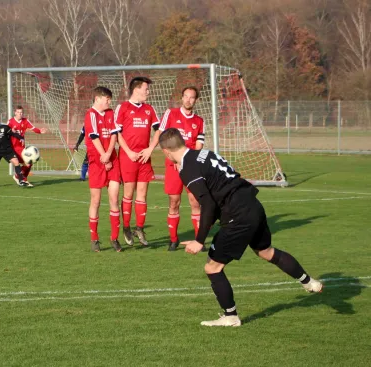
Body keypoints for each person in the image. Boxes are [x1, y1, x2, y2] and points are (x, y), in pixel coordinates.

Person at [158, 128, 323, 327]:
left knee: (212, 267)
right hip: (252, 204)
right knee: (266, 251)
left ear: (166, 152)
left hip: (238, 214)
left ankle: (231, 316)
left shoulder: (188, 169)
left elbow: (208, 204)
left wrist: (199, 240)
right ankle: (309, 282)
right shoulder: (204, 153)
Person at [114, 76, 160, 247]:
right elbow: (117, 132)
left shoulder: (149, 109)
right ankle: (126, 227)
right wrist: (128, 152)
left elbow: (159, 130)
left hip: (144, 157)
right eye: (146, 89)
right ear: (136, 89)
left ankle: (139, 228)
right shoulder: (123, 107)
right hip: (128, 157)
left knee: (142, 194)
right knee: (129, 193)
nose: (148, 92)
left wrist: (150, 149)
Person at [159, 87, 206, 251]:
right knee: (174, 202)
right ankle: (173, 239)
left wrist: (190, 163)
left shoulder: (199, 121)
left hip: (191, 168)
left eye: (192, 97)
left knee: (195, 202)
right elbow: (162, 138)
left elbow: (198, 146)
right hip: (172, 167)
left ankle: (200, 240)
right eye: (186, 96)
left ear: (195, 100)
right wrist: (173, 159)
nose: (188, 100)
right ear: (182, 97)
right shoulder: (170, 114)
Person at [84, 87, 122, 253]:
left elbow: (114, 134)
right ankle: (94, 239)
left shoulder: (111, 113)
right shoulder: (90, 115)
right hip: (96, 162)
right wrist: (103, 156)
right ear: (98, 98)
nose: (109, 102)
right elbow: (93, 137)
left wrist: (108, 154)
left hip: (112, 160)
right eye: (107, 99)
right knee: (96, 200)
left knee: (114, 199)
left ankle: (114, 238)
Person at [0, 114, 29, 188]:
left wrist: (21, 138)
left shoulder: (5, 127)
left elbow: (13, 134)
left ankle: (21, 181)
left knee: (16, 162)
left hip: (7, 150)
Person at [7, 106, 47, 187]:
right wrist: (10, 131)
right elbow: (5, 132)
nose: (20, 114)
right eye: (18, 112)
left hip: (21, 148)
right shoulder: (10, 122)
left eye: (21, 112)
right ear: (15, 113)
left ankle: (20, 177)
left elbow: (33, 128)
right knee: (21, 163)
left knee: (29, 163)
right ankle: (21, 178)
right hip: (13, 147)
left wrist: (39, 131)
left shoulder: (25, 121)